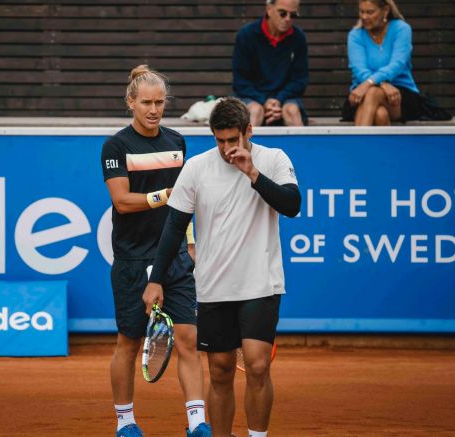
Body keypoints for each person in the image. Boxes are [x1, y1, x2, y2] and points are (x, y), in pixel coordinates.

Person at [142, 97, 301, 437]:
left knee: (257, 365)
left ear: (249, 131)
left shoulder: (273, 160)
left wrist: (251, 172)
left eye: (233, 139)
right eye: (220, 140)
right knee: (221, 370)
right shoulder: (197, 168)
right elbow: (173, 228)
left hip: (262, 282)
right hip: (214, 286)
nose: (227, 147)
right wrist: (156, 280)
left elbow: (292, 205)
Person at [100, 65, 211, 437]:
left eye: (160, 103)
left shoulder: (177, 141)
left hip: (175, 255)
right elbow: (121, 201)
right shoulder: (116, 146)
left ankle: (197, 422)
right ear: (130, 102)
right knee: (128, 343)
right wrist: (163, 196)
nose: (153, 110)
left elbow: (187, 204)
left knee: (189, 340)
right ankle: (125, 422)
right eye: (146, 102)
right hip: (133, 260)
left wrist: (190, 244)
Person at [343, 0, 433, 125]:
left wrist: (370, 83)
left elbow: (397, 64)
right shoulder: (355, 35)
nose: (364, 16)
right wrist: (383, 84)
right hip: (360, 95)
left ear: (385, 10)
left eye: (370, 12)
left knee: (373, 92)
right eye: (361, 11)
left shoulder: (401, 29)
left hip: (400, 94)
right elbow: (359, 70)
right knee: (380, 114)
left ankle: (357, 144)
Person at [232, 0, 309, 127]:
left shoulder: (298, 38)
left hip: (285, 99)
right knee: (254, 111)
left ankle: (301, 148)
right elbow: (241, 81)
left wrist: (278, 100)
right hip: (252, 98)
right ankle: (246, 147)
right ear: (269, 9)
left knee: (292, 111)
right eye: (282, 13)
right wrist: (264, 101)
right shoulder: (246, 36)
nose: (288, 19)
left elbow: (299, 80)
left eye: (293, 15)